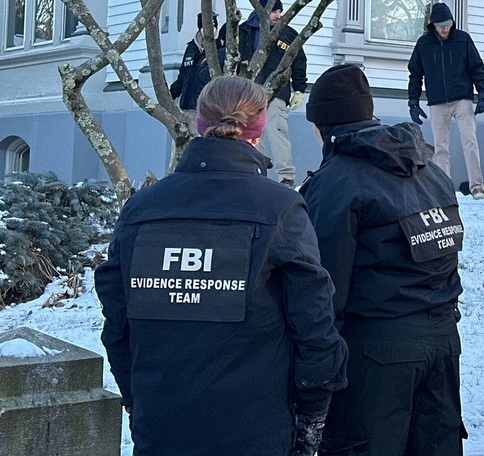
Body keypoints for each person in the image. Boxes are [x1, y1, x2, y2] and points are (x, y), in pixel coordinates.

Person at [95, 76, 346, 456]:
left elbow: (117, 325)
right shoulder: (278, 208)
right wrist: (310, 416)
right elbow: (314, 327)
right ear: (259, 128)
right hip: (255, 431)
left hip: (161, 425)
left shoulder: (142, 208)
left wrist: (136, 397)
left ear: (199, 121)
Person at [301, 65, 466, 455]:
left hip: (375, 353)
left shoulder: (336, 183)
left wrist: (314, 371)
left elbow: (324, 290)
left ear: (323, 126)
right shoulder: (430, 172)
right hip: (442, 344)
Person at [408, 2, 484, 200]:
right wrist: (413, 102)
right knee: (440, 147)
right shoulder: (423, 44)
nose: (444, 29)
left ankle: (477, 187)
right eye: (440, 25)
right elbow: (415, 74)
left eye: (447, 24)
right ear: (432, 25)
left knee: (470, 141)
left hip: (462, 98)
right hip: (437, 102)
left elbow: (476, 68)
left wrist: (483, 94)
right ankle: (443, 188)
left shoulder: (463, 39)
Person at [239, 0, 308, 188]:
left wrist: (299, 89)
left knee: (277, 133)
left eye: (280, 11)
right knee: (252, 136)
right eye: (274, 11)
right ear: (262, 10)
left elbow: (299, 61)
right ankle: (255, 176)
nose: (278, 15)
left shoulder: (287, 34)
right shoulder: (244, 31)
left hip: (277, 92)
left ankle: (286, 179)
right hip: (248, 94)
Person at [169, 12, 221, 124]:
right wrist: (170, 94)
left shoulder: (220, 49)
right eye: (206, 27)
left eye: (213, 27)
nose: (210, 31)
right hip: (188, 106)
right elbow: (183, 75)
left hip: (209, 109)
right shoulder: (191, 48)